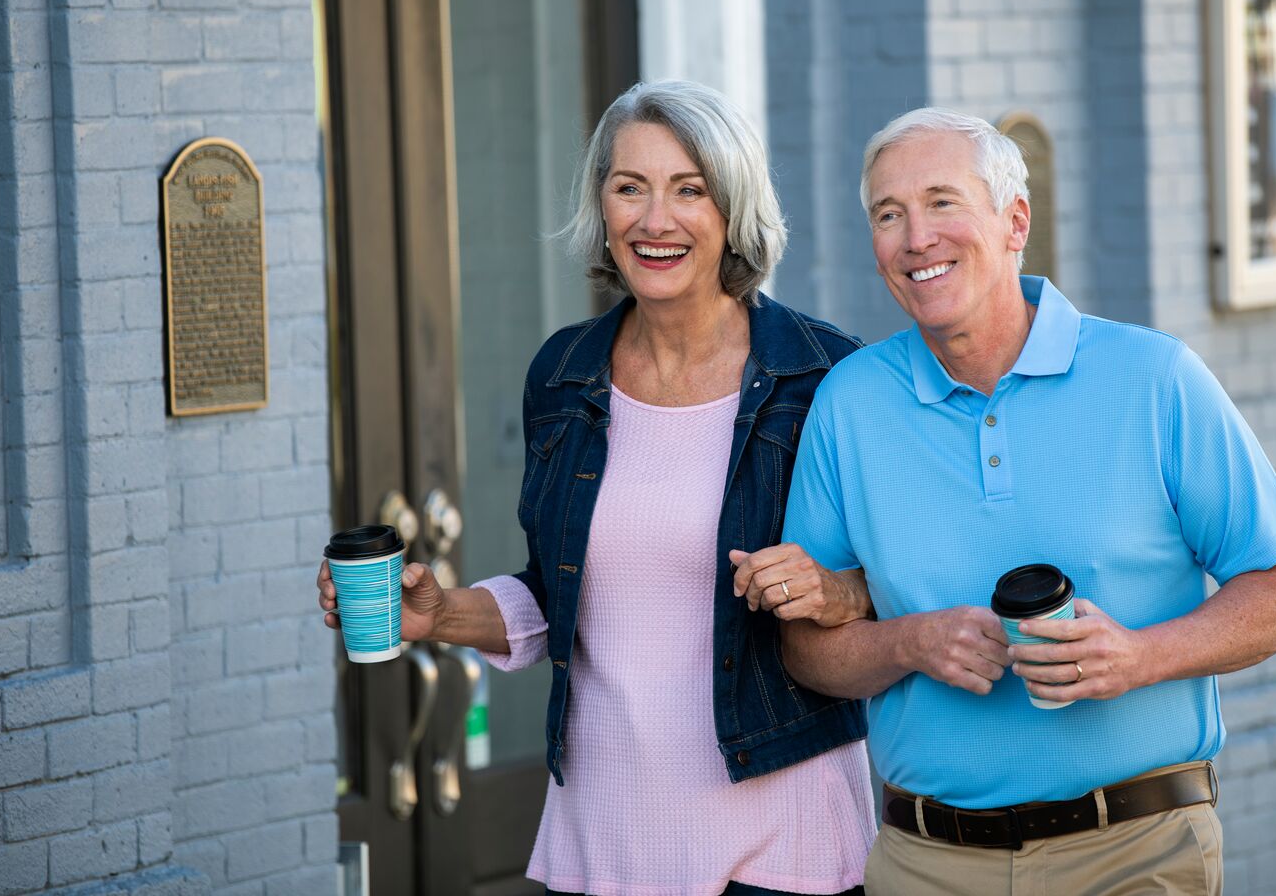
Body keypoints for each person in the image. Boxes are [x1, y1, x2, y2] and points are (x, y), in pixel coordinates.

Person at [318, 81, 876, 896]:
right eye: (629, 188)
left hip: (781, 833)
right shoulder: (564, 373)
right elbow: (563, 593)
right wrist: (440, 615)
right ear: (602, 208)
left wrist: (840, 591)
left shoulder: (825, 374)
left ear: (734, 209)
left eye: (690, 189)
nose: (656, 220)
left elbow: (906, 577)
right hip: (607, 833)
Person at [770, 108, 1276, 896]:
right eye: (888, 215)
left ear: (1013, 221)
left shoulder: (1153, 379)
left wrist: (1140, 657)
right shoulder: (849, 405)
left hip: (1132, 852)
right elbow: (807, 650)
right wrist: (910, 643)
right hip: (925, 864)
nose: (915, 237)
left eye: (942, 202)